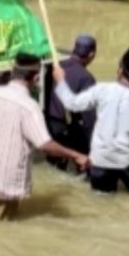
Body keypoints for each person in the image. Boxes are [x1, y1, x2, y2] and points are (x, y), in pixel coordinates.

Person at [0, 53, 90, 221]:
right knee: (4, 224)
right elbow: (45, 144)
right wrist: (76, 155)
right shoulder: (29, 107)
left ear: (13, 72)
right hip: (7, 176)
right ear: (35, 79)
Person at [53, 45, 129, 194]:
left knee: (102, 198)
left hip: (100, 160)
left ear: (120, 69)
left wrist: (60, 80)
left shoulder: (102, 90)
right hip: (128, 161)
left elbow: (71, 103)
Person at [45, 35, 98, 170]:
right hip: (65, 129)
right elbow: (89, 118)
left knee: (53, 166)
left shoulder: (54, 67)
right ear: (91, 54)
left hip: (47, 126)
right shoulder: (86, 78)